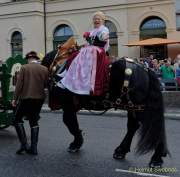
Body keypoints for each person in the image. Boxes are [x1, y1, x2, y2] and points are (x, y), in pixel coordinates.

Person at [60, 11, 110, 96]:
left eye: (98, 19)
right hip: (90, 49)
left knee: (81, 57)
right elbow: (90, 42)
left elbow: (104, 38)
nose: (96, 20)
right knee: (74, 56)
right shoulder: (93, 30)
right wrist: (87, 37)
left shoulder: (104, 29)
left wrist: (99, 36)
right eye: (95, 19)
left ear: (102, 20)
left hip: (97, 51)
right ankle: (70, 78)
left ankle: (86, 84)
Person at [12, 51, 49, 155]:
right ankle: (34, 148)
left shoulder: (24, 67)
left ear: (28, 59)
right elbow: (46, 84)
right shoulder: (44, 69)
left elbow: (19, 85)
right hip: (39, 99)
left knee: (17, 119)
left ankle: (24, 144)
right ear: (36, 58)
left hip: (26, 98)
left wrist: (15, 99)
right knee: (33, 121)